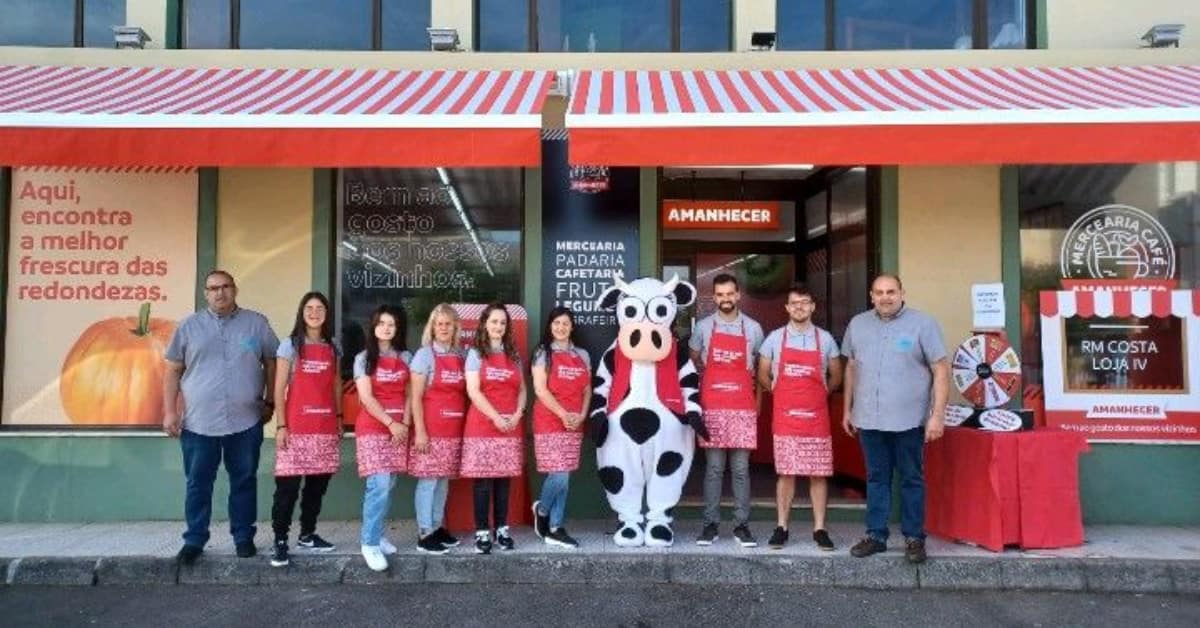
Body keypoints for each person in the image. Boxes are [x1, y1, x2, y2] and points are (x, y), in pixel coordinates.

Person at [163, 270, 279, 565]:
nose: (220, 293)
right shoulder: (188, 327)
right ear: (205, 293)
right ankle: (194, 540)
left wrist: (271, 400)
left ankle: (243, 538)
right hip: (199, 424)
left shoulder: (256, 323)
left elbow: (272, 361)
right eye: (213, 288)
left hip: (246, 421)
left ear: (235, 289)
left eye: (225, 287)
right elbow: (173, 370)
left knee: (244, 480)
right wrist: (169, 411)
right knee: (198, 483)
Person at [842, 274, 949, 564]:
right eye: (879, 292)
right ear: (871, 294)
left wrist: (937, 416)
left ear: (902, 293)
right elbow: (851, 367)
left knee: (911, 479)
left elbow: (940, 369)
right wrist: (847, 409)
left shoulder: (922, 324)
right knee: (876, 478)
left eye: (891, 291)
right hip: (869, 417)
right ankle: (876, 535)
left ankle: (914, 538)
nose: (885, 297)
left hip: (909, 420)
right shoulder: (858, 324)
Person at [757, 283, 843, 551]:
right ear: (787, 308)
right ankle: (781, 526)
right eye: (794, 303)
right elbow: (762, 373)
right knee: (787, 473)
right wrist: (779, 393)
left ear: (812, 306)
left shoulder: (825, 339)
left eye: (804, 302)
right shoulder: (774, 338)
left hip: (816, 417)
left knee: (818, 474)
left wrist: (820, 395)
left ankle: (820, 529)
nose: (799, 307)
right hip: (786, 417)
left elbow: (836, 374)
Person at [689, 273, 764, 548]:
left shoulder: (754, 329)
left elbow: (761, 368)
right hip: (713, 406)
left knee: (742, 470)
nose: (725, 299)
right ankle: (710, 525)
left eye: (729, 293)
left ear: (738, 295)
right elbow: (694, 362)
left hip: (742, 406)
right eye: (720, 295)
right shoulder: (703, 328)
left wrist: (757, 402)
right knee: (714, 469)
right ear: (714, 297)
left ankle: (742, 526)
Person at [269, 291, 342, 568]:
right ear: (302, 312)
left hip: (324, 427)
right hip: (296, 428)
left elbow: (335, 385)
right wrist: (281, 425)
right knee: (287, 488)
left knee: (316, 487)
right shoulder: (290, 345)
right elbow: (278, 388)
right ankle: (280, 539)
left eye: (320, 308)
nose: (314, 313)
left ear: (327, 313)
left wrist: (338, 417)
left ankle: (308, 534)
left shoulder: (333, 346)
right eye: (309, 308)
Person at [461, 302, 527, 554]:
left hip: (510, 425)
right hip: (483, 426)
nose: (498, 326)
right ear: (485, 324)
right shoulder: (476, 353)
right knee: (483, 481)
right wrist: (496, 417)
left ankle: (501, 529)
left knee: (503, 480)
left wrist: (518, 413)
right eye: (493, 322)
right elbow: (473, 391)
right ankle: (481, 533)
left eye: (502, 322)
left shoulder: (514, 354)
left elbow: (522, 390)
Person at [353, 305, 413, 571]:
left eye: (392, 324)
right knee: (378, 484)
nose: (386, 328)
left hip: (399, 429)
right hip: (374, 428)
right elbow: (366, 397)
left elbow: (411, 394)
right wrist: (391, 423)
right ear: (374, 327)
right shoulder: (364, 358)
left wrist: (406, 424)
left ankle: (377, 533)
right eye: (382, 323)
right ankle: (369, 543)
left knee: (388, 485)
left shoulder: (406, 357)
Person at [408, 304, 467, 555]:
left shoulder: (461, 355)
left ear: (455, 327)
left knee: (443, 481)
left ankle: (436, 526)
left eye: (447, 324)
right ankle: (424, 532)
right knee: (428, 481)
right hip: (430, 431)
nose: (443, 328)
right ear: (432, 327)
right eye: (438, 324)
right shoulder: (424, 355)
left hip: (452, 430)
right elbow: (415, 397)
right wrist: (420, 431)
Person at [530, 307, 591, 549]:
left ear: (572, 326)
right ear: (550, 326)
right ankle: (543, 511)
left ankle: (556, 527)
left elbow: (587, 389)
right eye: (556, 323)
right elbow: (540, 390)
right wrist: (563, 414)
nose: (561, 328)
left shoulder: (582, 355)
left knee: (564, 476)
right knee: (560, 474)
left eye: (565, 323)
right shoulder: (542, 353)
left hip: (574, 422)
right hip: (549, 421)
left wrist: (582, 414)